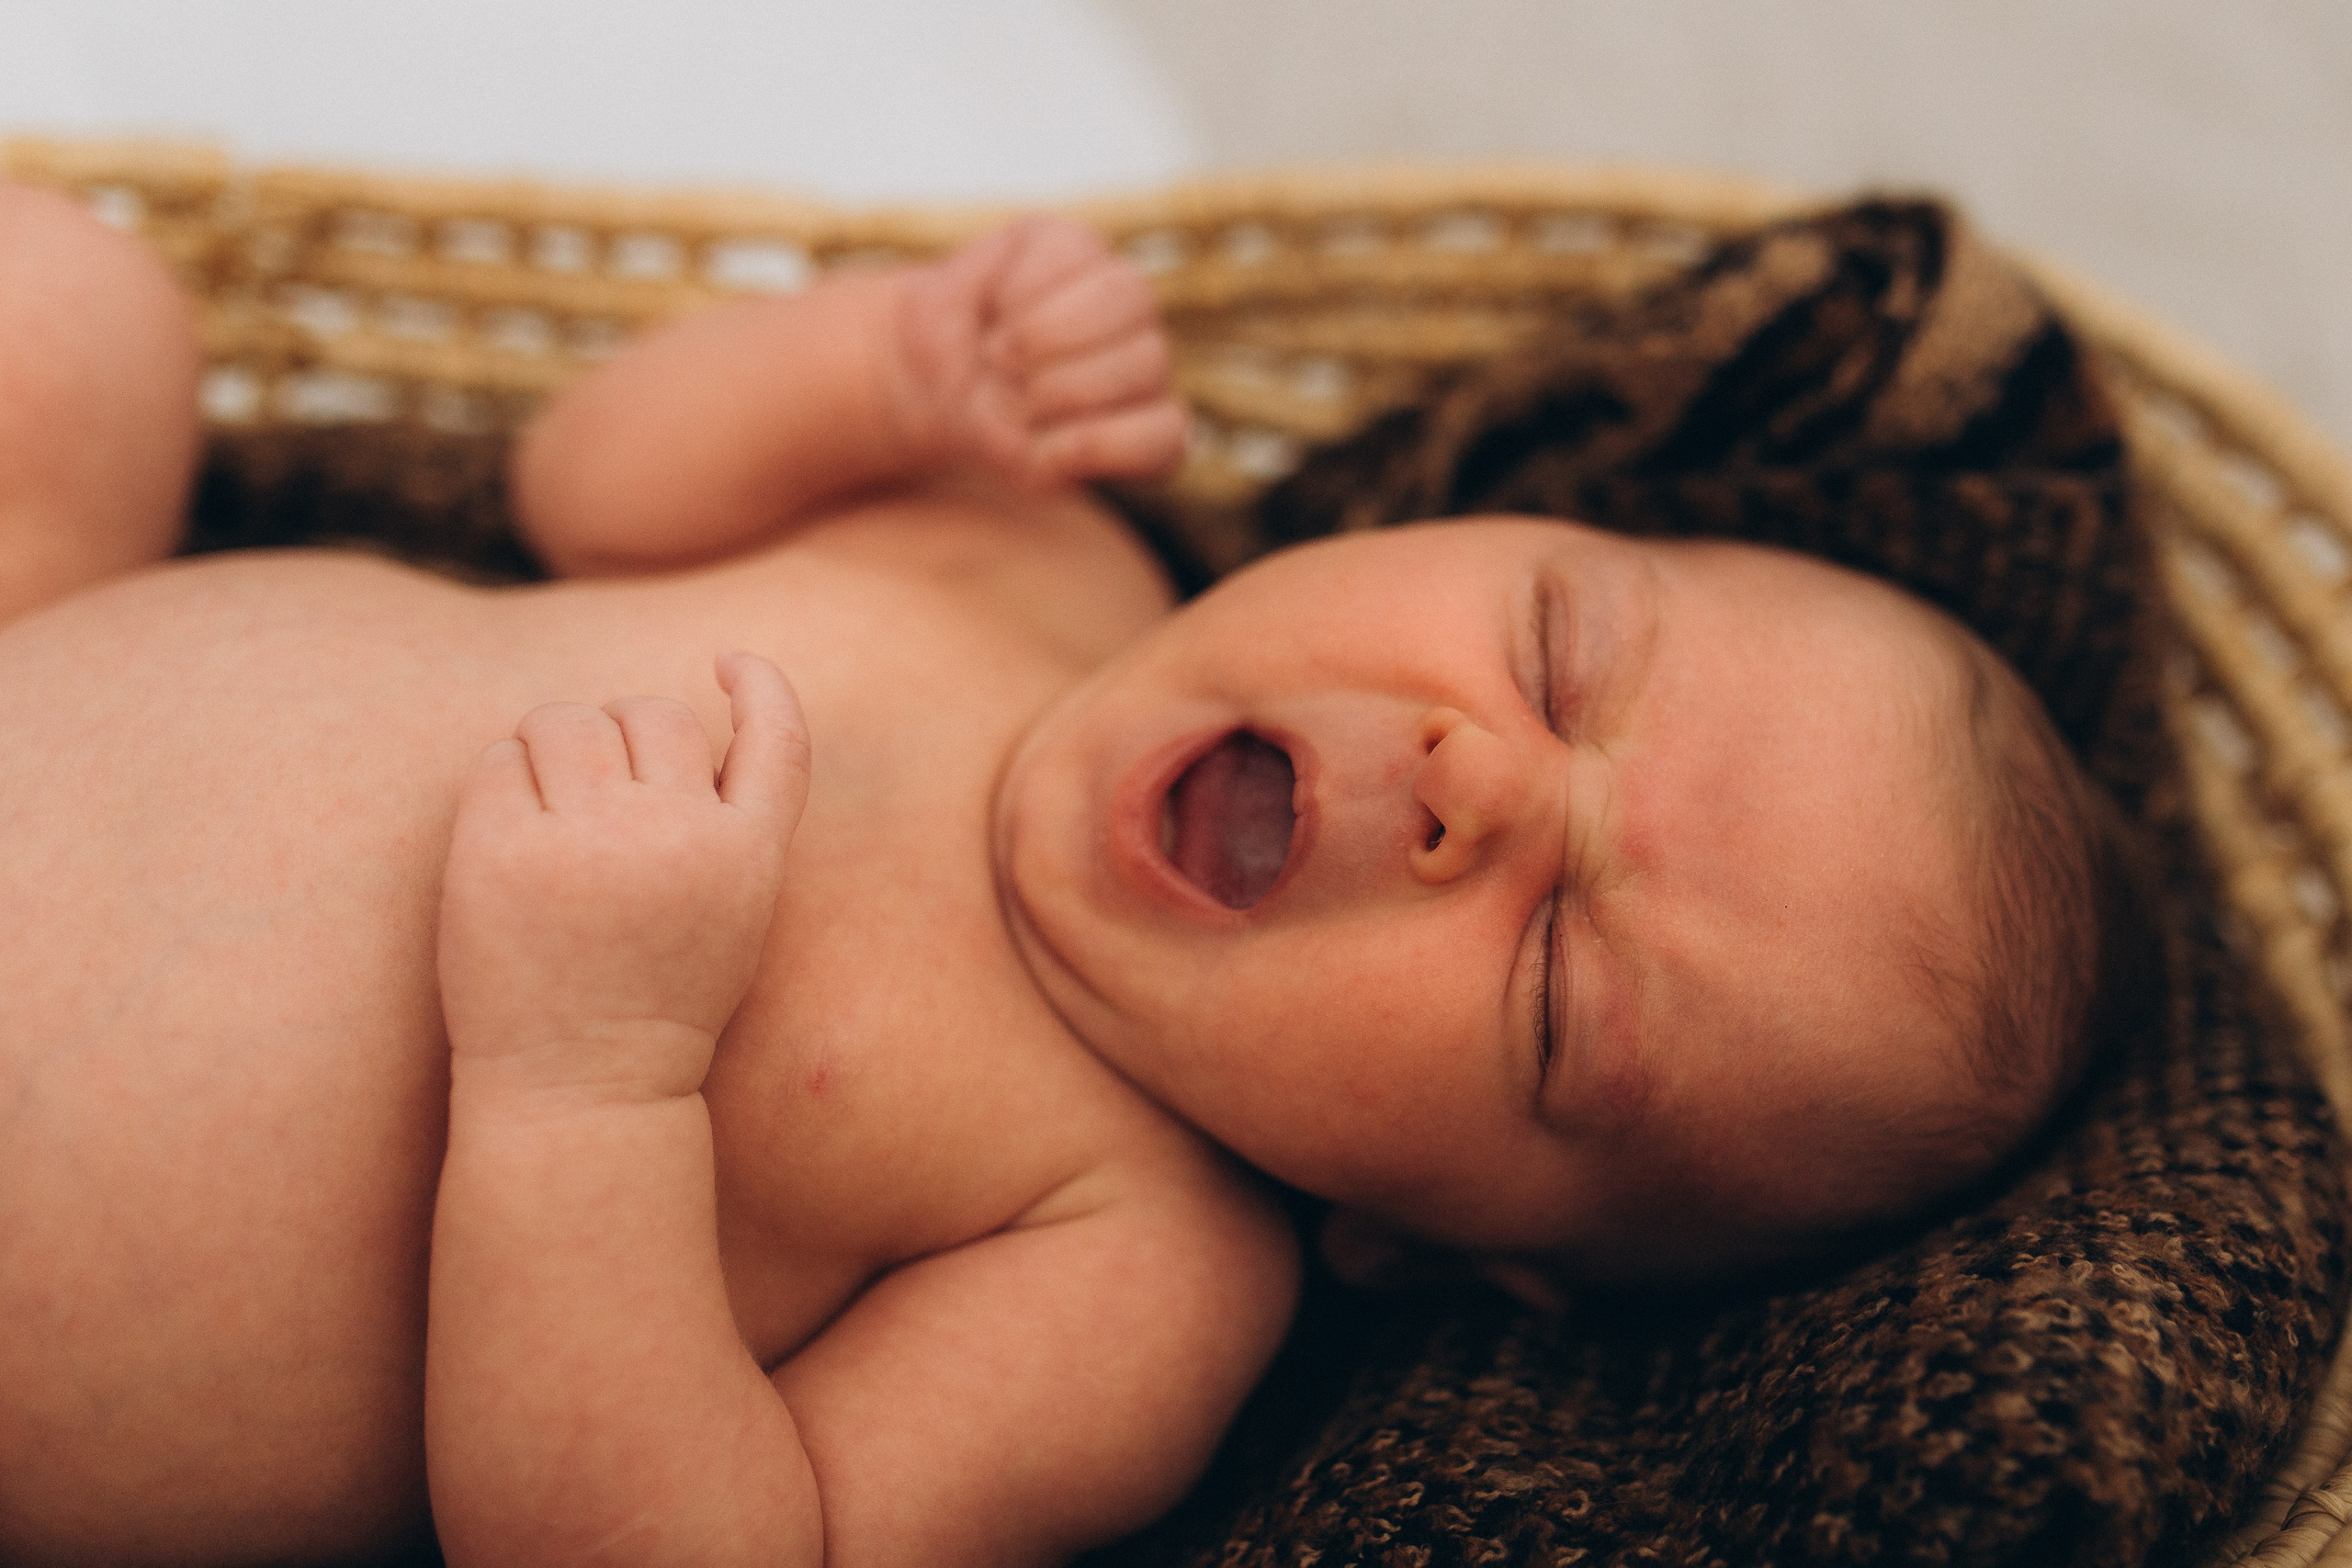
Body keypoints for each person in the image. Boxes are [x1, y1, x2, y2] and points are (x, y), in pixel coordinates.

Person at [0, 181, 2111, 1567]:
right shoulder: (1046, 547)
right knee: (69, 309)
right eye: (1556, 654)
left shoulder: (1131, 1261)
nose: (1484, 788)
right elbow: (586, 487)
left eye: (1553, 981)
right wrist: (883, 367)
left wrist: (590, 1077)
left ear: (1436, 1245)